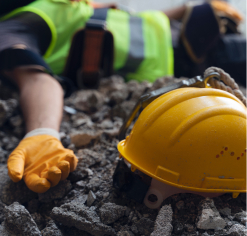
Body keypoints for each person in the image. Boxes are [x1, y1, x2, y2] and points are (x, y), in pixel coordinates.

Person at [0, 0, 244, 193]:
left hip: (190, 34)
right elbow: (36, 79)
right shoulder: (15, 26)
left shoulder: (57, 5)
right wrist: (41, 132)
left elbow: (126, 20)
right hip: (185, 58)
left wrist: (185, 10)